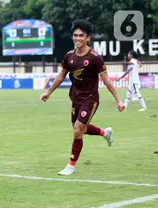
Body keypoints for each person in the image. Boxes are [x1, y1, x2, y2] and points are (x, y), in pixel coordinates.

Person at [40, 20, 125, 176]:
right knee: (79, 129)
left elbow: (106, 80)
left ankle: (71, 166)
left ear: (88, 38)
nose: (77, 38)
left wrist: (118, 100)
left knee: (77, 131)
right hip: (75, 97)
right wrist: (48, 92)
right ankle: (104, 133)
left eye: (81, 36)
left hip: (90, 99)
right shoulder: (69, 56)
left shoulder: (95, 58)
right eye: (75, 35)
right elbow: (60, 76)